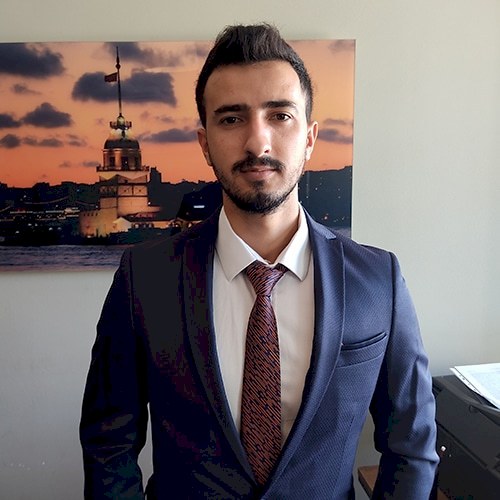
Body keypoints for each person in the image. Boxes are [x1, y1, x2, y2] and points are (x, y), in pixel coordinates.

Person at [80, 24, 438, 499]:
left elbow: (411, 447)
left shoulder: (379, 281)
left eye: (280, 115)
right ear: (204, 143)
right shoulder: (143, 279)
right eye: (231, 119)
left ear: (310, 138)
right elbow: (109, 445)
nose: (258, 142)